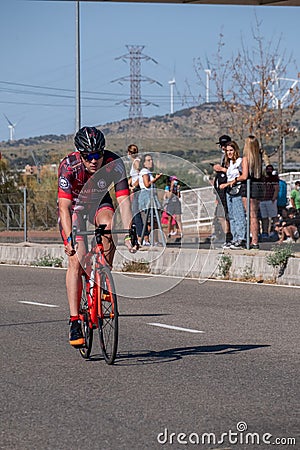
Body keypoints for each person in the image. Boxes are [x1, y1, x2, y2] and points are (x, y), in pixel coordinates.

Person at [58, 126, 137, 348]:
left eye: (98, 155)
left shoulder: (114, 163)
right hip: (74, 209)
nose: (94, 160)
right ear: (80, 155)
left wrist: (130, 233)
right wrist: (69, 240)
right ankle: (74, 319)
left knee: (110, 225)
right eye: (89, 157)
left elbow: (124, 201)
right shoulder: (68, 166)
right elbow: (63, 208)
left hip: (98, 204)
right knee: (77, 259)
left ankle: (103, 277)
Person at [232, 135, 263, 249]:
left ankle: (249, 239)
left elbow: (244, 176)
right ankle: (255, 240)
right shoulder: (258, 158)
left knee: (249, 215)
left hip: (247, 187)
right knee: (254, 215)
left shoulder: (245, 159)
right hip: (257, 187)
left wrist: (234, 179)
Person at [219, 141, 246, 249]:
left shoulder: (239, 162)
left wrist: (230, 183)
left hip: (236, 189)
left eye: (231, 150)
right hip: (229, 191)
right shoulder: (230, 164)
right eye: (227, 151)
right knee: (232, 216)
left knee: (238, 214)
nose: (229, 153)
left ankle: (241, 238)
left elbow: (243, 176)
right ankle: (234, 238)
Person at [212, 134, 233, 248]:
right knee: (221, 214)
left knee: (224, 214)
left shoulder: (231, 156)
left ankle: (229, 237)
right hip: (220, 190)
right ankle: (227, 236)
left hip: (226, 188)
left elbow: (232, 172)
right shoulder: (223, 156)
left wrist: (221, 169)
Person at [138, 153, 163, 245]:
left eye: (151, 160)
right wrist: (156, 179)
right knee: (150, 220)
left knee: (152, 220)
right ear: (144, 163)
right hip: (147, 196)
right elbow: (147, 184)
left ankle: (150, 239)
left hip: (150, 196)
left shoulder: (146, 172)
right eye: (148, 160)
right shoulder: (145, 172)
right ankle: (147, 239)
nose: (151, 162)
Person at [127, 144, 143, 245]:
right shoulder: (134, 162)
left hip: (137, 190)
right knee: (134, 213)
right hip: (134, 189)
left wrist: (134, 186)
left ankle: (140, 236)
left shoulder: (136, 162)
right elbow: (134, 176)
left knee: (136, 213)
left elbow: (140, 175)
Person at [259, 165, 279, 239]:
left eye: (270, 169)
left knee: (274, 216)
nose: (269, 171)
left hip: (271, 200)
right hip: (263, 200)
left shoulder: (274, 178)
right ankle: (265, 232)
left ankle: (275, 231)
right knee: (264, 217)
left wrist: (273, 198)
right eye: (268, 169)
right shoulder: (263, 179)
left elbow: (276, 188)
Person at [165, 176, 183, 240]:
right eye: (174, 180)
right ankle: (169, 232)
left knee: (178, 218)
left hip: (177, 203)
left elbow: (179, 196)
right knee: (170, 219)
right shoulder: (168, 187)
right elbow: (169, 196)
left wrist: (178, 190)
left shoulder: (177, 187)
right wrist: (172, 188)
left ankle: (181, 232)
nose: (175, 181)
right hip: (170, 204)